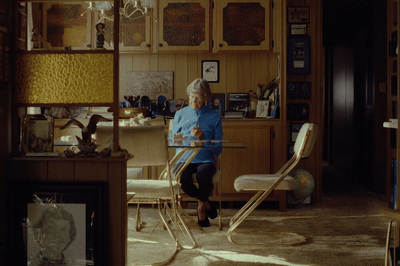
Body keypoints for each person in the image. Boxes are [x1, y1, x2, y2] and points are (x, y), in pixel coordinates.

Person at [170, 78, 222, 227]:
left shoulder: (214, 116)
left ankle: (201, 211)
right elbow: (172, 141)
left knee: (204, 175)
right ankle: (204, 203)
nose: (194, 100)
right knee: (183, 179)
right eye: (192, 96)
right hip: (184, 158)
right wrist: (177, 139)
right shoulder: (180, 114)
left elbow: (218, 148)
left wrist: (203, 137)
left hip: (206, 159)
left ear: (206, 98)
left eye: (198, 97)